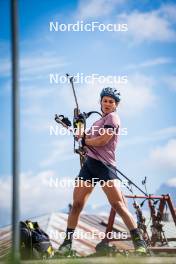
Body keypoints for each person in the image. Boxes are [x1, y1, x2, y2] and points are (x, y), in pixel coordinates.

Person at [58, 87, 147, 255]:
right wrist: (75, 124)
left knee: (118, 205)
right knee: (76, 205)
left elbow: (102, 140)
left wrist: (85, 141)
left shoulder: (113, 118)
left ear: (116, 105)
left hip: (105, 166)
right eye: (105, 100)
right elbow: (83, 139)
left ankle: (140, 243)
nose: (107, 104)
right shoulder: (97, 122)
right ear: (100, 102)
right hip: (90, 166)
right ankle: (66, 244)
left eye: (111, 102)